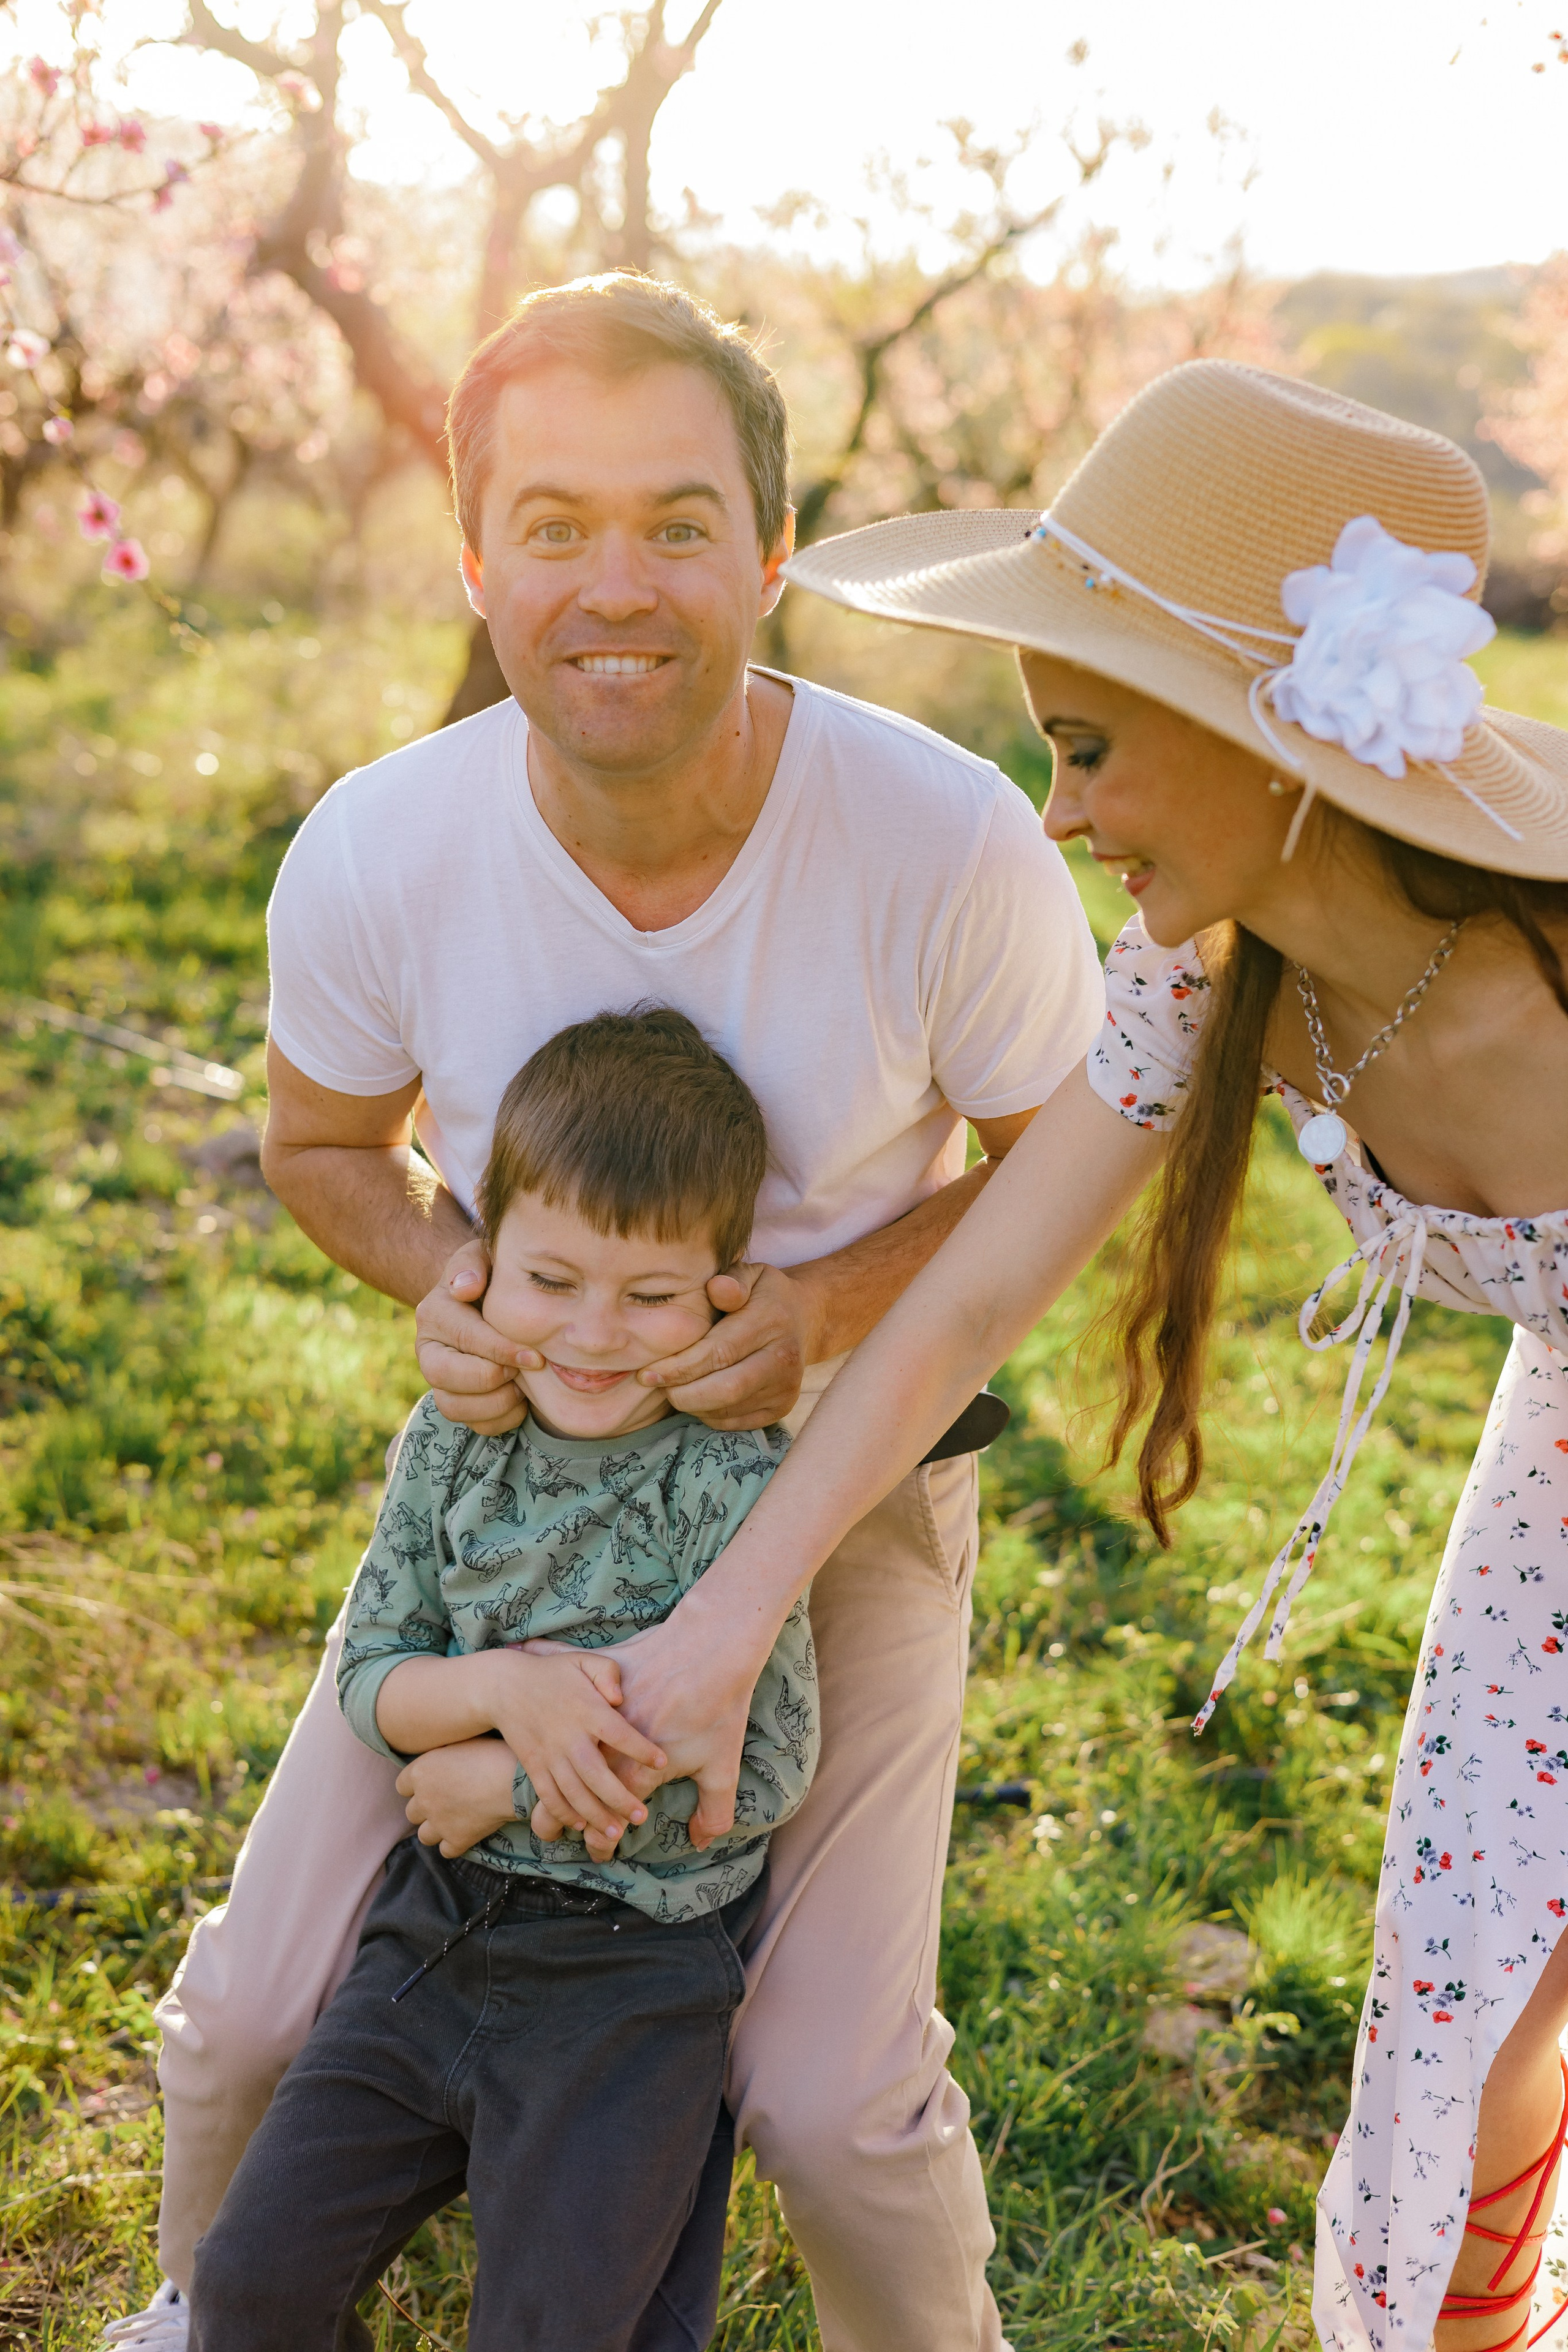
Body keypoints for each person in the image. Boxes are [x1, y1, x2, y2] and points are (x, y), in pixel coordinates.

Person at [108, 271, 1104, 2352]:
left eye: (676, 522)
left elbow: (1079, 1161)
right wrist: (454, 1282)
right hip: (504, 1513)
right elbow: (322, 1146)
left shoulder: (946, 841)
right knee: (247, 2022)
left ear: (773, 549)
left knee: (831, 2105)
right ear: (478, 561)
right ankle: (200, 2320)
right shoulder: (382, 847)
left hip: (835, 1493)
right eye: (553, 526)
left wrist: (823, 1309)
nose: (616, 584)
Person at [603, 359, 1568, 2352]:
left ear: (1269, 733)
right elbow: (963, 1306)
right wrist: (723, 1623)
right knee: (1471, 2016)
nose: (1056, 812)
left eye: (1092, 748)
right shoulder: (1200, 982)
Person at [188, 1006, 817, 2351]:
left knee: (561, 2327)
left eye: (650, 1296)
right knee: (248, 2288)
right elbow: (374, 1674)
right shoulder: (455, 1439)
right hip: (434, 1930)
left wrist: (509, 1784)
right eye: (551, 1279)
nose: (593, 1334)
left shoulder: (731, 1481)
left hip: (637, 1973)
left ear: (726, 1289)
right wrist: (502, 1698)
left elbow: (764, 1770)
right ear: (480, 1260)